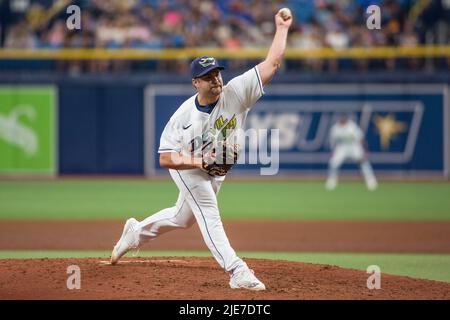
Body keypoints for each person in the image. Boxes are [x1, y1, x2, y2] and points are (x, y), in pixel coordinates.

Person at [110, 9, 293, 291]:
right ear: (196, 82)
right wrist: (199, 161)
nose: (216, 79)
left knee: (182, 218)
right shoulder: (183, 117)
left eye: (217, 73)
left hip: (213, 169)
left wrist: (281, 29)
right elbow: (165, 158)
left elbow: (273, 63)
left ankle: (136, 232)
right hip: (187, 167)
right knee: (209, 213)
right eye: (208, 76)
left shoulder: (235, 92)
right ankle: (237, 270)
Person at [325, 114, 378, 191]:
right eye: (341, 119)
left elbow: (361, 139)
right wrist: (332, 151)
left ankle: (371, 181)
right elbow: (333, 141)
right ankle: (332, 181)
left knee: (363, 162)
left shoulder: (352, 126)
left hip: (354, 146)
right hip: (341, 147)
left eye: (344, 119)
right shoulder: (335, 128)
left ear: (347, 119)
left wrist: (364, 151)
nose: (343, 120)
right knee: (333, 162)